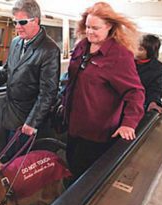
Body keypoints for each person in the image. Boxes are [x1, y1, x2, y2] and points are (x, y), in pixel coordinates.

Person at [62, 2, 145, 181]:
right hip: (74, 124)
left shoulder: (119, 55)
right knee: (71, 163)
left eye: (95, 28)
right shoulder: (82, 46)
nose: (90, 31)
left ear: (109, 26)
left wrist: (129, 123)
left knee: (85, 175)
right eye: (88, 27)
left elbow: (135, 92)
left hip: (96, 132)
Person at [0, 0, 60, 141]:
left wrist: (32, 122)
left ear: (36, 21)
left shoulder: (50, 50)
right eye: (15, 22)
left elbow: (48, 93)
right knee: (11, 156)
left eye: (22, 22)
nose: (17, 27)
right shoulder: (16, 42)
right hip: (10, 114)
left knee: (21, 160)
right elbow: (7, 70)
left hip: (28, 119)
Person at [136, 34, 162, 113]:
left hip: (139, 101)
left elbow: (155, 90)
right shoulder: (125, 60)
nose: (135, 51)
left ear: (150, 51)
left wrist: (153, 103)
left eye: (140, 49)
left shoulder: (159, 69)